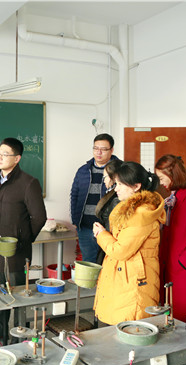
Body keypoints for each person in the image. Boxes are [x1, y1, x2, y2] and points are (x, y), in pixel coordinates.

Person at [0, 137, 46, 343]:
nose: (0, 157)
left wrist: (22, 240)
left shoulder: (28, 183)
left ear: (17, 159)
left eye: (5, 154)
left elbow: (39, 217)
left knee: (18, 297)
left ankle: (20, 337)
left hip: (17, 253)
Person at [92, 161, 165, 325]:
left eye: (119, 184)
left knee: (130, 327)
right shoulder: (131, 209)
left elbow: (120, 251)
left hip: (133, 281)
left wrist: (101, 234)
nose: (116, 188)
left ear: (136, 186)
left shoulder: (141, 214)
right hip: (125, 276)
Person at [155, 154, 186, 324]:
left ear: (172, 175)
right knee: (172, 314)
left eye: (162, 178)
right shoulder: (176, 195)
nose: (161, 182)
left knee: (184, 316)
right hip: (172, 263)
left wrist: (183, 261)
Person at [71, 133, 120, 263]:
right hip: (85, 227)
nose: (98, 152)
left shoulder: (119, 171)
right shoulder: (83, 170)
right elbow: (74, 194)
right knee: (89, 263)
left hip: (109, 228)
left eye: (103, 149)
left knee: (110, 262)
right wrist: (75, 219)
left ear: (111, 150)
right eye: (96, 148)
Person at [94, 159, 122, 265]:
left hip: (110, 243)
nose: (104, 181)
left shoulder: (117, 199)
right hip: (106, 240)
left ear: (113, 177)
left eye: (105, 177)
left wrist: (101, 232)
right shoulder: (111, 194)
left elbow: (113, 228)